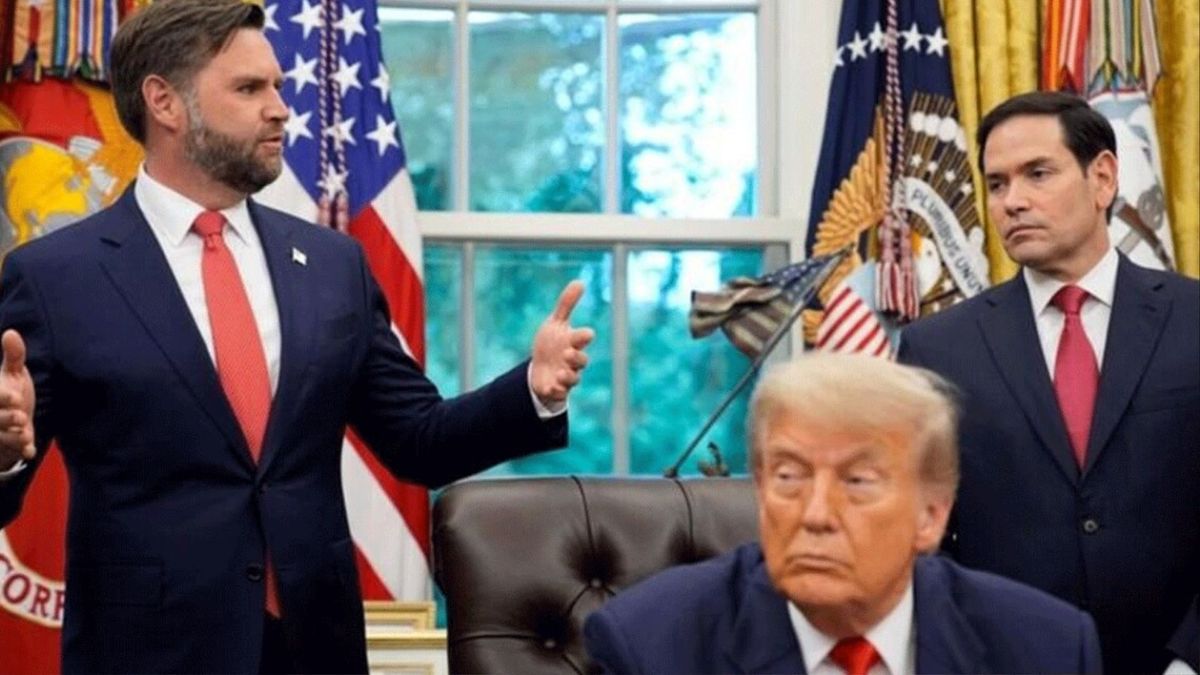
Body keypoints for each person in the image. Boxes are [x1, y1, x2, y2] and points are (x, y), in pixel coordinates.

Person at [0, 1, 594, 672]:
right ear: (164, 102)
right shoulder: (56, 276)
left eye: (279, 86)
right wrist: (4, 450)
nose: (281, 109)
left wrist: (533, 390)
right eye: (249, 88)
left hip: (315, 648)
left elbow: (419, 440)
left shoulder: (333, 266)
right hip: (149, 653)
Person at [897, 90, 1199, 674]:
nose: (1012, 201)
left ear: (1102, 178)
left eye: (1037, 174)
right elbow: (917, 535)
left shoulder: (1192, 321)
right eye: (997, 184)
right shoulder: (937, 349)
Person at [584, 353, 1102, 675]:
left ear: (930, 516)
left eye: (857, 482)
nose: (816, 515)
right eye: (789, 477)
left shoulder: (1047, 649)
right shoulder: (650, 647)